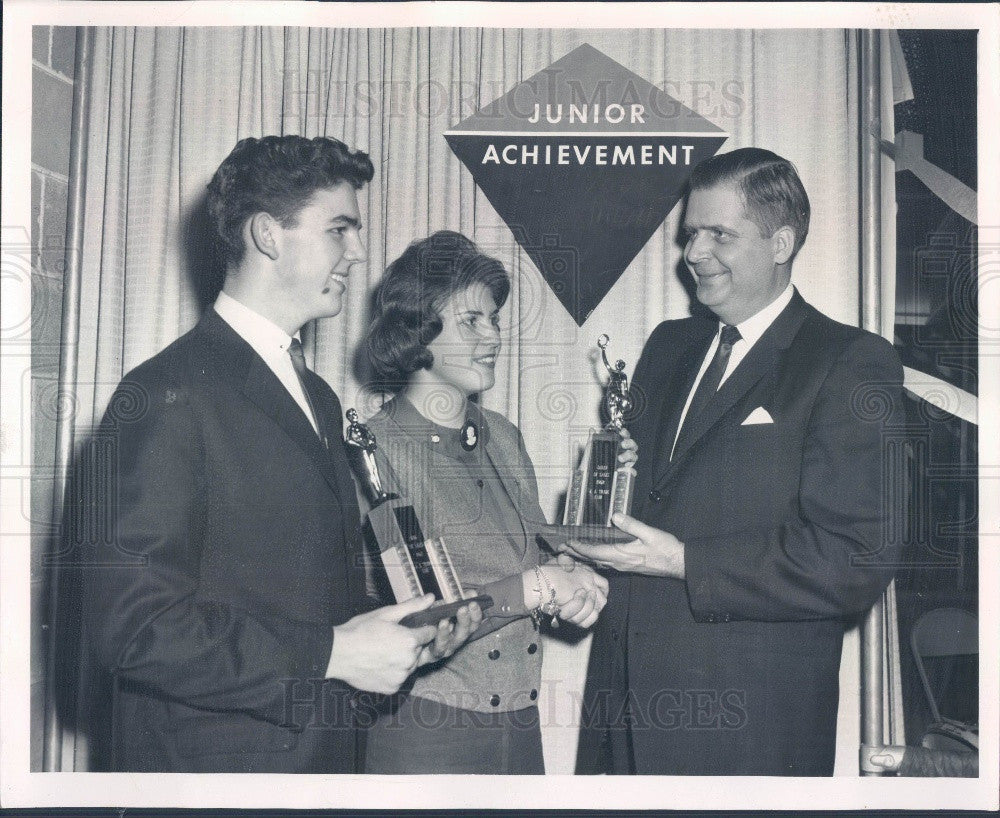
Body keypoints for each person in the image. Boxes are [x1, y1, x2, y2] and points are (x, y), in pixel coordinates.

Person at [79, 136, 480, 773]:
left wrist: (397, 642)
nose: (358, 252)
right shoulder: (164, 393)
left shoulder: (316, 396)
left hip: (316, 760)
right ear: (268, 234)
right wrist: (333, 654)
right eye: (339, 229)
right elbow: (131, 627)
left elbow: (303, 595)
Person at [570, 148, 905, 776]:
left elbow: (854, 558)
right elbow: (643, 510)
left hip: (747, 729)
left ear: (780, 243)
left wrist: (683, 561)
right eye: (691, 233)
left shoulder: (850, 361)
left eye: (718, 234)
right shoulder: (667, 347)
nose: (693, 253)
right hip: (621, 716)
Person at [359, 231, 623, 774]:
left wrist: (579, 557)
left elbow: (533, 564)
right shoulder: (377, 450)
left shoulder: (503, 436)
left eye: (495, 320)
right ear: (417, 333)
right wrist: (539, 586)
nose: (493, 337)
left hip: (522, 727)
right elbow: (419, 625)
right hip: (427, 731)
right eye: (471, 321)